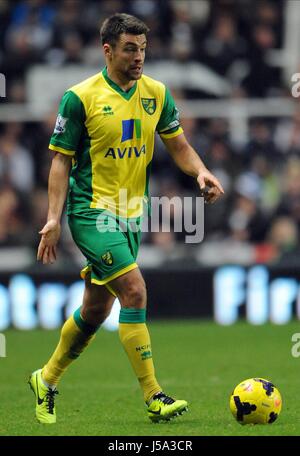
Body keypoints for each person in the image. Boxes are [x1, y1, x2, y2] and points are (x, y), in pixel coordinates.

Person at [29, 13, 224, 424]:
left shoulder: (156, 93)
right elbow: (60, 163)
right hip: (91, 212)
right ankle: (154, 395)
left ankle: (45, 379)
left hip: (133, 216)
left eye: (143, 49)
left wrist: (201, 171)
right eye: (130, 49)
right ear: (108, 50)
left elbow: (180, 145)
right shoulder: (78, 98)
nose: (139, 57)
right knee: (134, 290)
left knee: (96, 311)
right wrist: (53, 218)